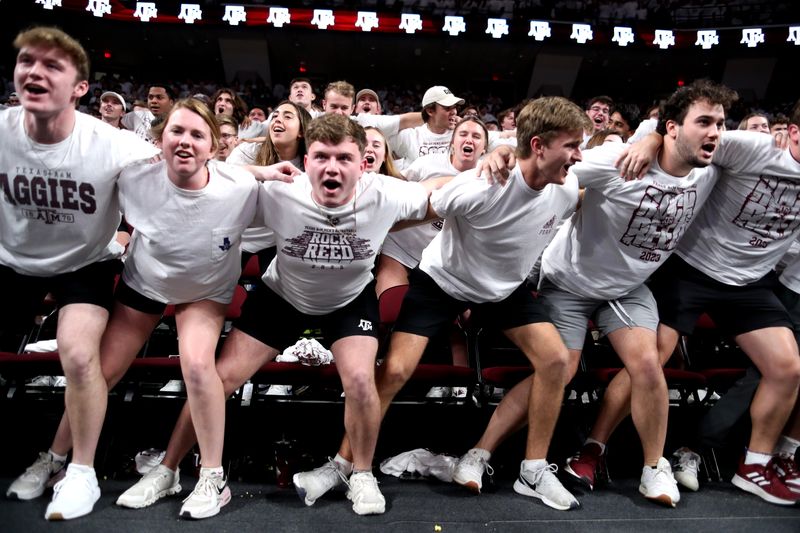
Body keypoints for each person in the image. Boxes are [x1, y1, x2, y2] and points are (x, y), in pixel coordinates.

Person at [114, 113, 435, 517]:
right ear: (305, 160)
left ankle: (363, 472)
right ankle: (169, 468)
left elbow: (442, 193)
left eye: (343, 158)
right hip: (282, 296)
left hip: (348, 299)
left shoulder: (387, 193)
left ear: (362, 162)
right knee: (219, 378)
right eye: (321, 157)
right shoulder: (279, 193)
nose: (332, 168)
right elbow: (210, 182)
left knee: (360, 380)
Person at [294, 96, 589, 512]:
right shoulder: (478, 188)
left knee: (557, 361)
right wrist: (351, 226)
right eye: (572, 146)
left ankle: (531, 469)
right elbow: (416, 209)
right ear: (538, 145)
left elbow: (630, 164)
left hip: (505, 290)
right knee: (395, 370)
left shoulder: (568, 186)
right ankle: (343, 462)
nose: (579, 155)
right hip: (442, 282)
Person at [457, 80, 739, 509]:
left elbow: (773, 151)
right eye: (704, 122)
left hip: (627, 289)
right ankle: (479, 453)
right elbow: (545, 159)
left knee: (648, 363)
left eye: (720, 123)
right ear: (673, 128)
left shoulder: (716, 165)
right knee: (561, 369)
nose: (715, 132)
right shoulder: (616, 160)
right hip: (568, 282)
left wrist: (653, 137)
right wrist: (501, 152)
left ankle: (653, 468)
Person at [594, 95, 800, 505]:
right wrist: (649, 140)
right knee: (652, 358)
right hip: (691, 267)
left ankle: (754, 464)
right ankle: (592, 446)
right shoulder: (753, 147)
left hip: (749, 283)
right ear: (793, 133)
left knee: (788, 367)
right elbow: (686, 141)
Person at [1, 27, 159, 520]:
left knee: (78, 353)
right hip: (11, 261)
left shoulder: (110, 143)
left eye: (52, 66)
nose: (35, 71)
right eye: (27, 61)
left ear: (79, 88)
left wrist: (259, 172)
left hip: (84, 264)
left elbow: (186, 164)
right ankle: (46, 461)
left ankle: (81, 473)